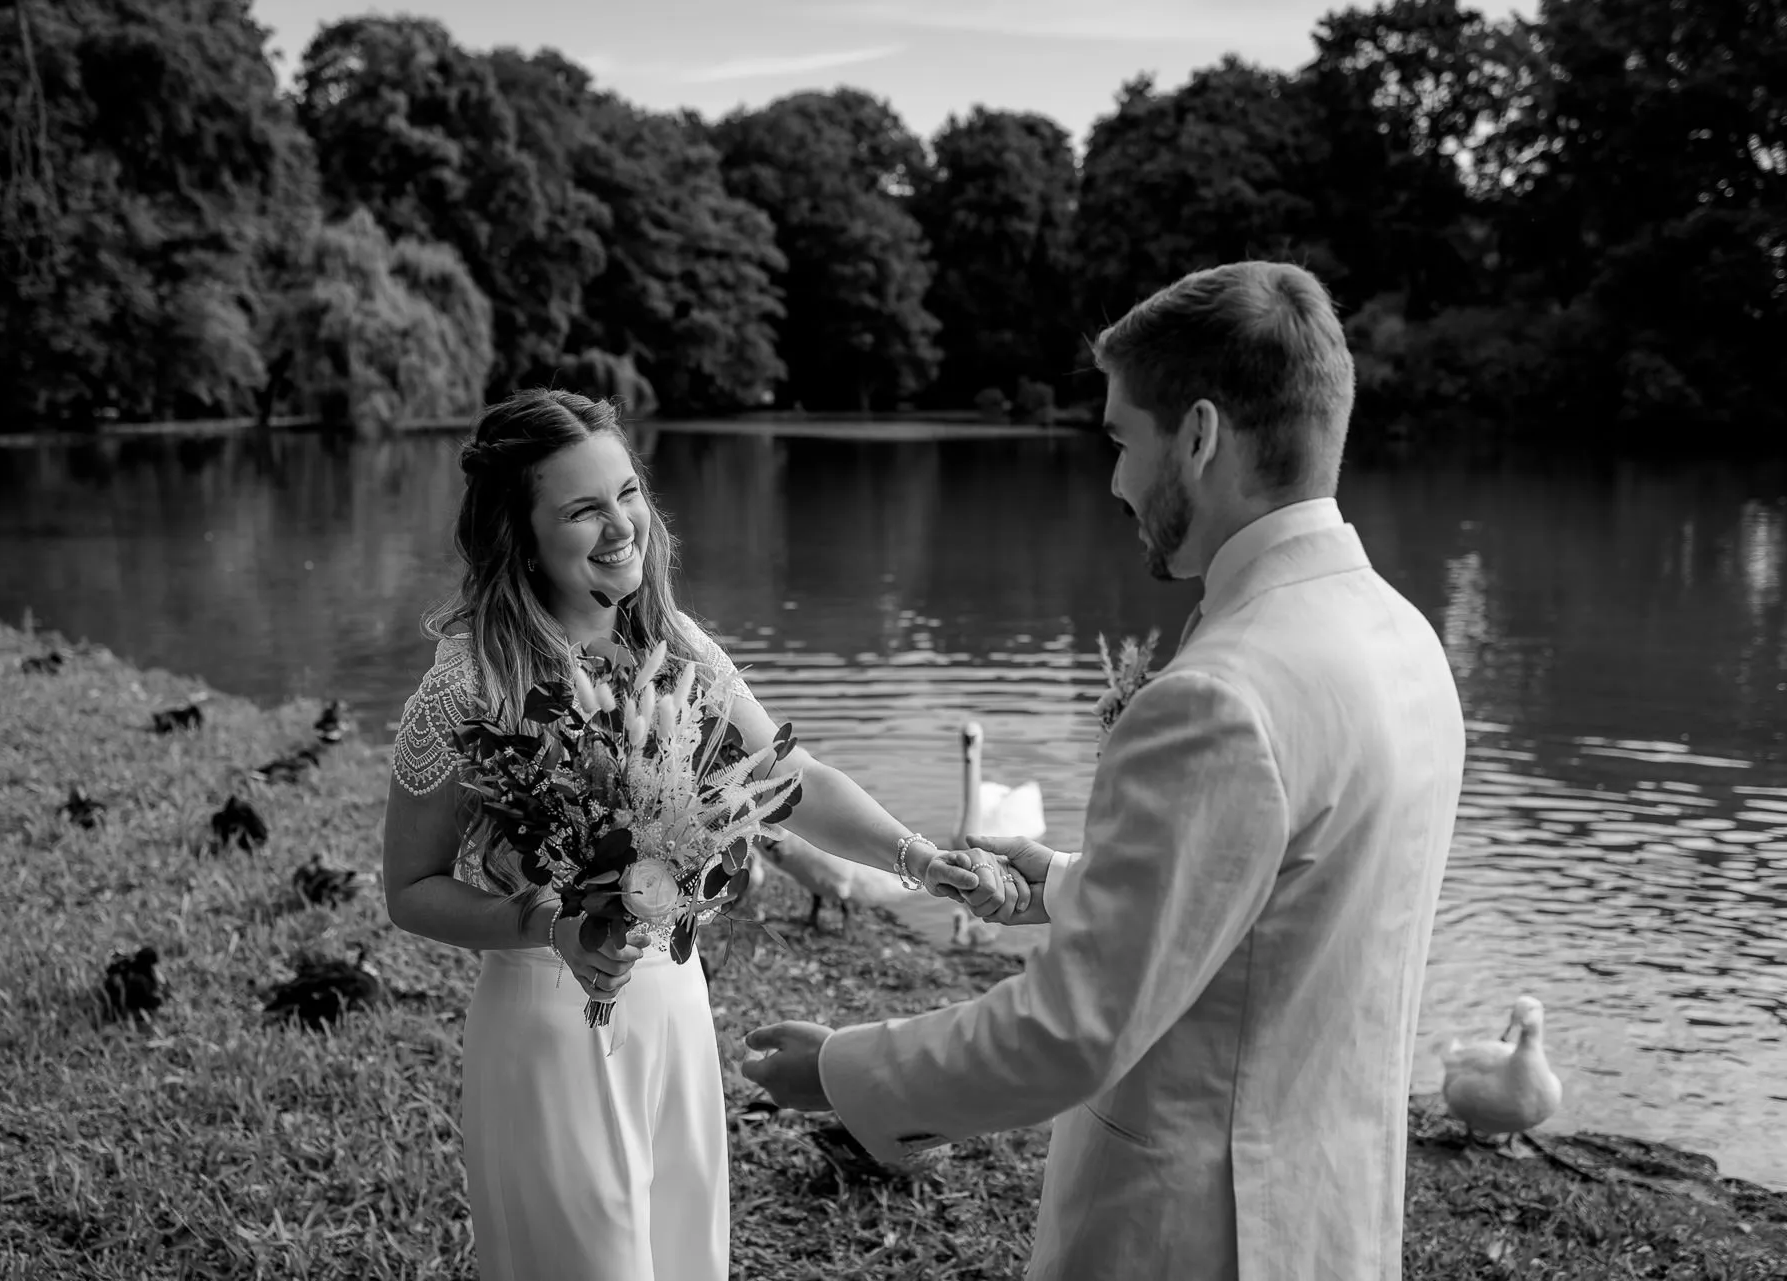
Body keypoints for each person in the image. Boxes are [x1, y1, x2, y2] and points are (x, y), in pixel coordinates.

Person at [744, 261, 1468, 1281]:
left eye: (1123, 439)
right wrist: (1064, 882)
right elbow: (1282, 906)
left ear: (1202, 435)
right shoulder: (1405, 642)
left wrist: (846, 1069)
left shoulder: (1220, 693)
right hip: (1328, 1211)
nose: (1118, 480)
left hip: (1191, 1232)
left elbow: (1070, 1032)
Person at [380, 389, 1009, 1281]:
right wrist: (546, 922)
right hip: (549, 1027)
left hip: (674, 1007)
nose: (621, 525)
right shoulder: (470, 688)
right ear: (519, 535)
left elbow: (788, 780)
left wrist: (920, 858)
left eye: (627, 492)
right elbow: (408, 890)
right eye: (583, 508)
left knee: (683, 1258)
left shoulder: (672, 644)